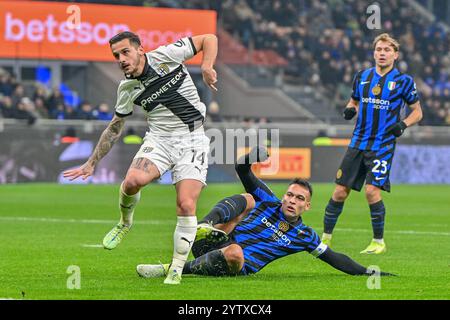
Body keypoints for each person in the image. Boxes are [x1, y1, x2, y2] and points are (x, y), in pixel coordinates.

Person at [63, 31, 218, 285]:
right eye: (116, 56)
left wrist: (207, 65)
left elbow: (208, 39)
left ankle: (176, 269)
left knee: (186, 205)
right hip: (160, 139)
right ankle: (125, 223)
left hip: (193, 139)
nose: (121, 59)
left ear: (140, 50)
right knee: (132, 181)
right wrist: (92, 162)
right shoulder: (126, 88)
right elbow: (114, 127)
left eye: (125, 52)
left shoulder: (167, 55)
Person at [136, 147, 394, 278]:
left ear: (307, 206)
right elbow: (242, 169)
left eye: (299, 198)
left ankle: (174, 269)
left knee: (235, 252)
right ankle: (204, 225)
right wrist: (251, 157)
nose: (292, 200)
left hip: (235, 263)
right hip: (213, 242)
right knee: (249, 198)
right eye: (290, 195)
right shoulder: (270, 202)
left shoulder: (304, 235)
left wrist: (368, 272)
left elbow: (335, 258)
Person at [321, 33, 423, 254]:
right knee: (339, 191)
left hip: (382, 145)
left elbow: (418, 112)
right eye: (379, 50)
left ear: (395, 55)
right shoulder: (363, 76)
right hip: (357, 143)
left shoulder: (404, 82)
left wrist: (403, 125)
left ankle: (378, 242)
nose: (382, 53)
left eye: (387, 50)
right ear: (373, 53)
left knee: (371, 191)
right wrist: (351, 109)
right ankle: (325, 239)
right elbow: (354, 100)